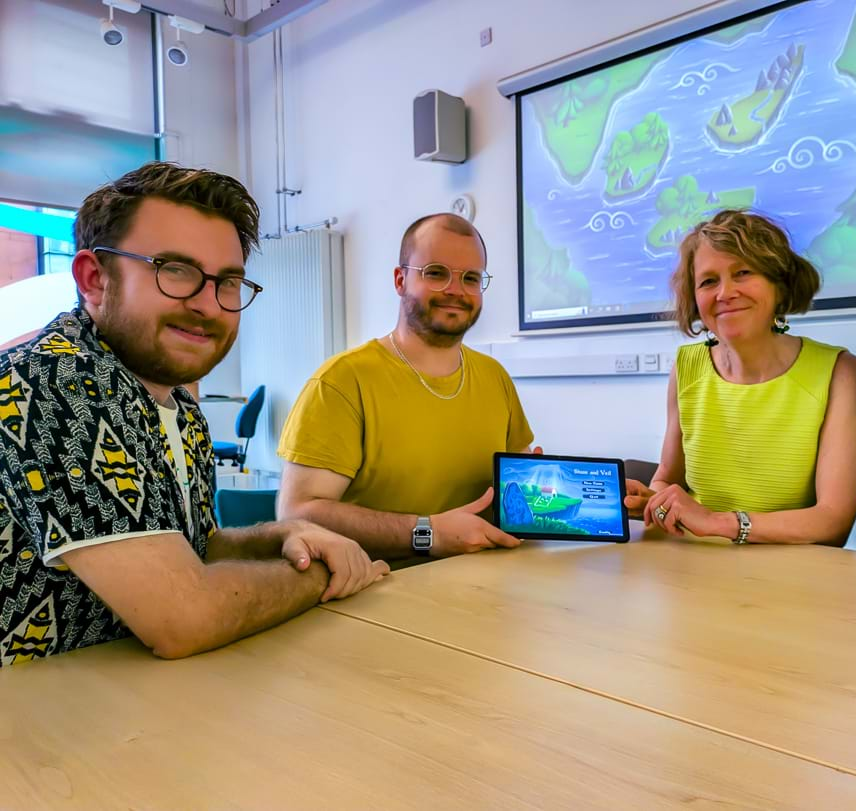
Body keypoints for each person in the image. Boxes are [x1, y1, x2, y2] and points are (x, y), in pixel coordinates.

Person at [0, 162, 389, 666]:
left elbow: (195, 547)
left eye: (227, 282)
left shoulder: (178, 403)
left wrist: (282, 536)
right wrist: (323, 574)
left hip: (145, 703)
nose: (209, 304)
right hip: (37, 721)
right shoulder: (49, 382)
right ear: (94, 278)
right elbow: (184, 618)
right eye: (175, 270)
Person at [277, 213, 536, 562]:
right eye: (436, 273)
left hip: (487, 590)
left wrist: (605, 499)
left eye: (471, 278)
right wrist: (426, 532)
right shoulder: (341, 382)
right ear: (400, 280)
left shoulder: (494, 377)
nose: (455, 290)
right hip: (374, 596)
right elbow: (296, 514)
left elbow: (517, 495)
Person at [625, 210, 856, 545]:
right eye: (708, 281)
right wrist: (654, 502)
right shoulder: (686, 365)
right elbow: (667, 479)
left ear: (779, 285)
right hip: (690, 569)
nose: (725, 293)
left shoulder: (839, 371)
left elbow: (833, 521)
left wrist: (716, 522)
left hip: (795, 579)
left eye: (743, 273)